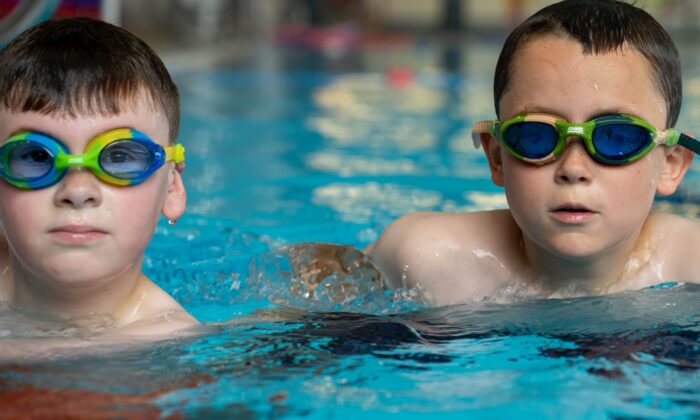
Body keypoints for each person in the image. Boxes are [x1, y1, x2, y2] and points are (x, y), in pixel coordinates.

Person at [365, 0, 700, 306]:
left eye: (616, 138)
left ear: (670, 165)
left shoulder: (691, 267)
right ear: (497, 158)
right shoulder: (427, 258)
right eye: (537, 136)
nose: (573, 168)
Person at [0, 16, 198, 351]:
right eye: (35, 156)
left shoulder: (166, 351)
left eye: (120, 158)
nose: (78, 192)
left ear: (172, 188)